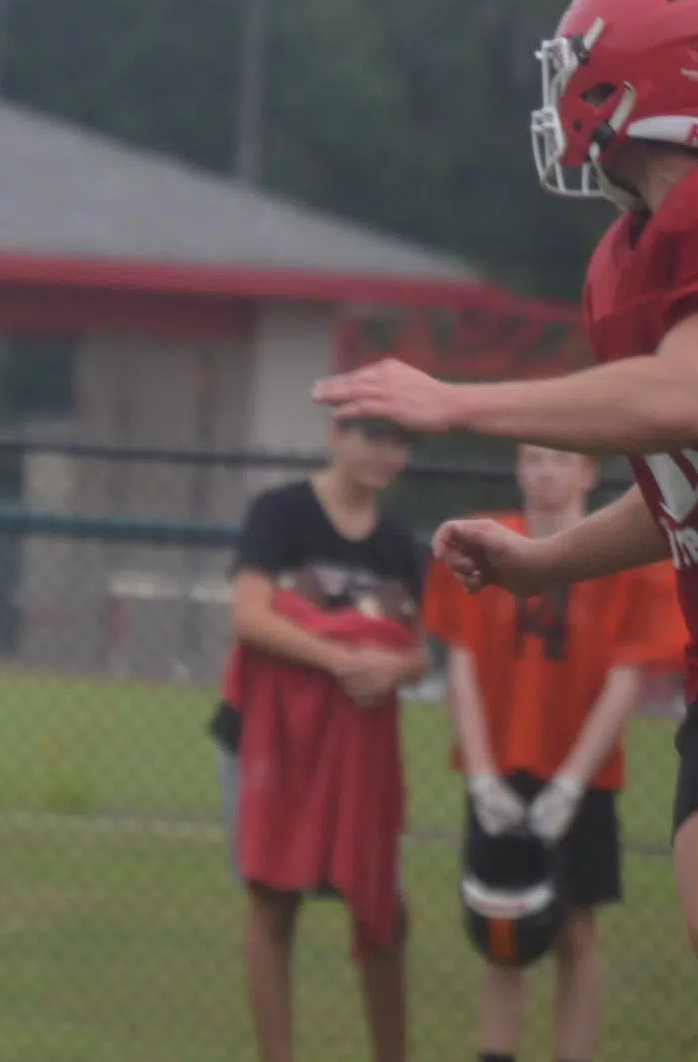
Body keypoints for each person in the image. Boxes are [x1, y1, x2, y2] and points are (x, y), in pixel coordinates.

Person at [318, 0, 698, 1062]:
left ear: (656, 75)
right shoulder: (623, 262)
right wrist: (539, 562)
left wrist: (458, 405)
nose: (561, 95)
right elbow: (693, 489)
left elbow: (694, 399)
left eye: (577, 66)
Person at [424, 442, 688, 1062]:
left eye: (561, 460)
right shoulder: (482, 546)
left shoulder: (623, 558)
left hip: (582, 770)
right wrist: (482, 774)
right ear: (517, 468)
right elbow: (460, 659)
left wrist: (572, 782)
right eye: (534, 459)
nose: (545, 472)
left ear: (588, 473)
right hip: (502, 764)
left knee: (576, 930)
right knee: (501, 930)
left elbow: (630, 674)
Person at [212, 416, 427, 1062]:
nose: (385, 451)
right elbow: (249, 616)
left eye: (398, 439)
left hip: (352, 755)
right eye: (372, 435)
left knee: (385, 910)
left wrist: (391, 667)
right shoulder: (281, 512)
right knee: (273, 900)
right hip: (266, 741)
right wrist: (340, 659)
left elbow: (417, 653)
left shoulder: (398, 545)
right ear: (337, 434)